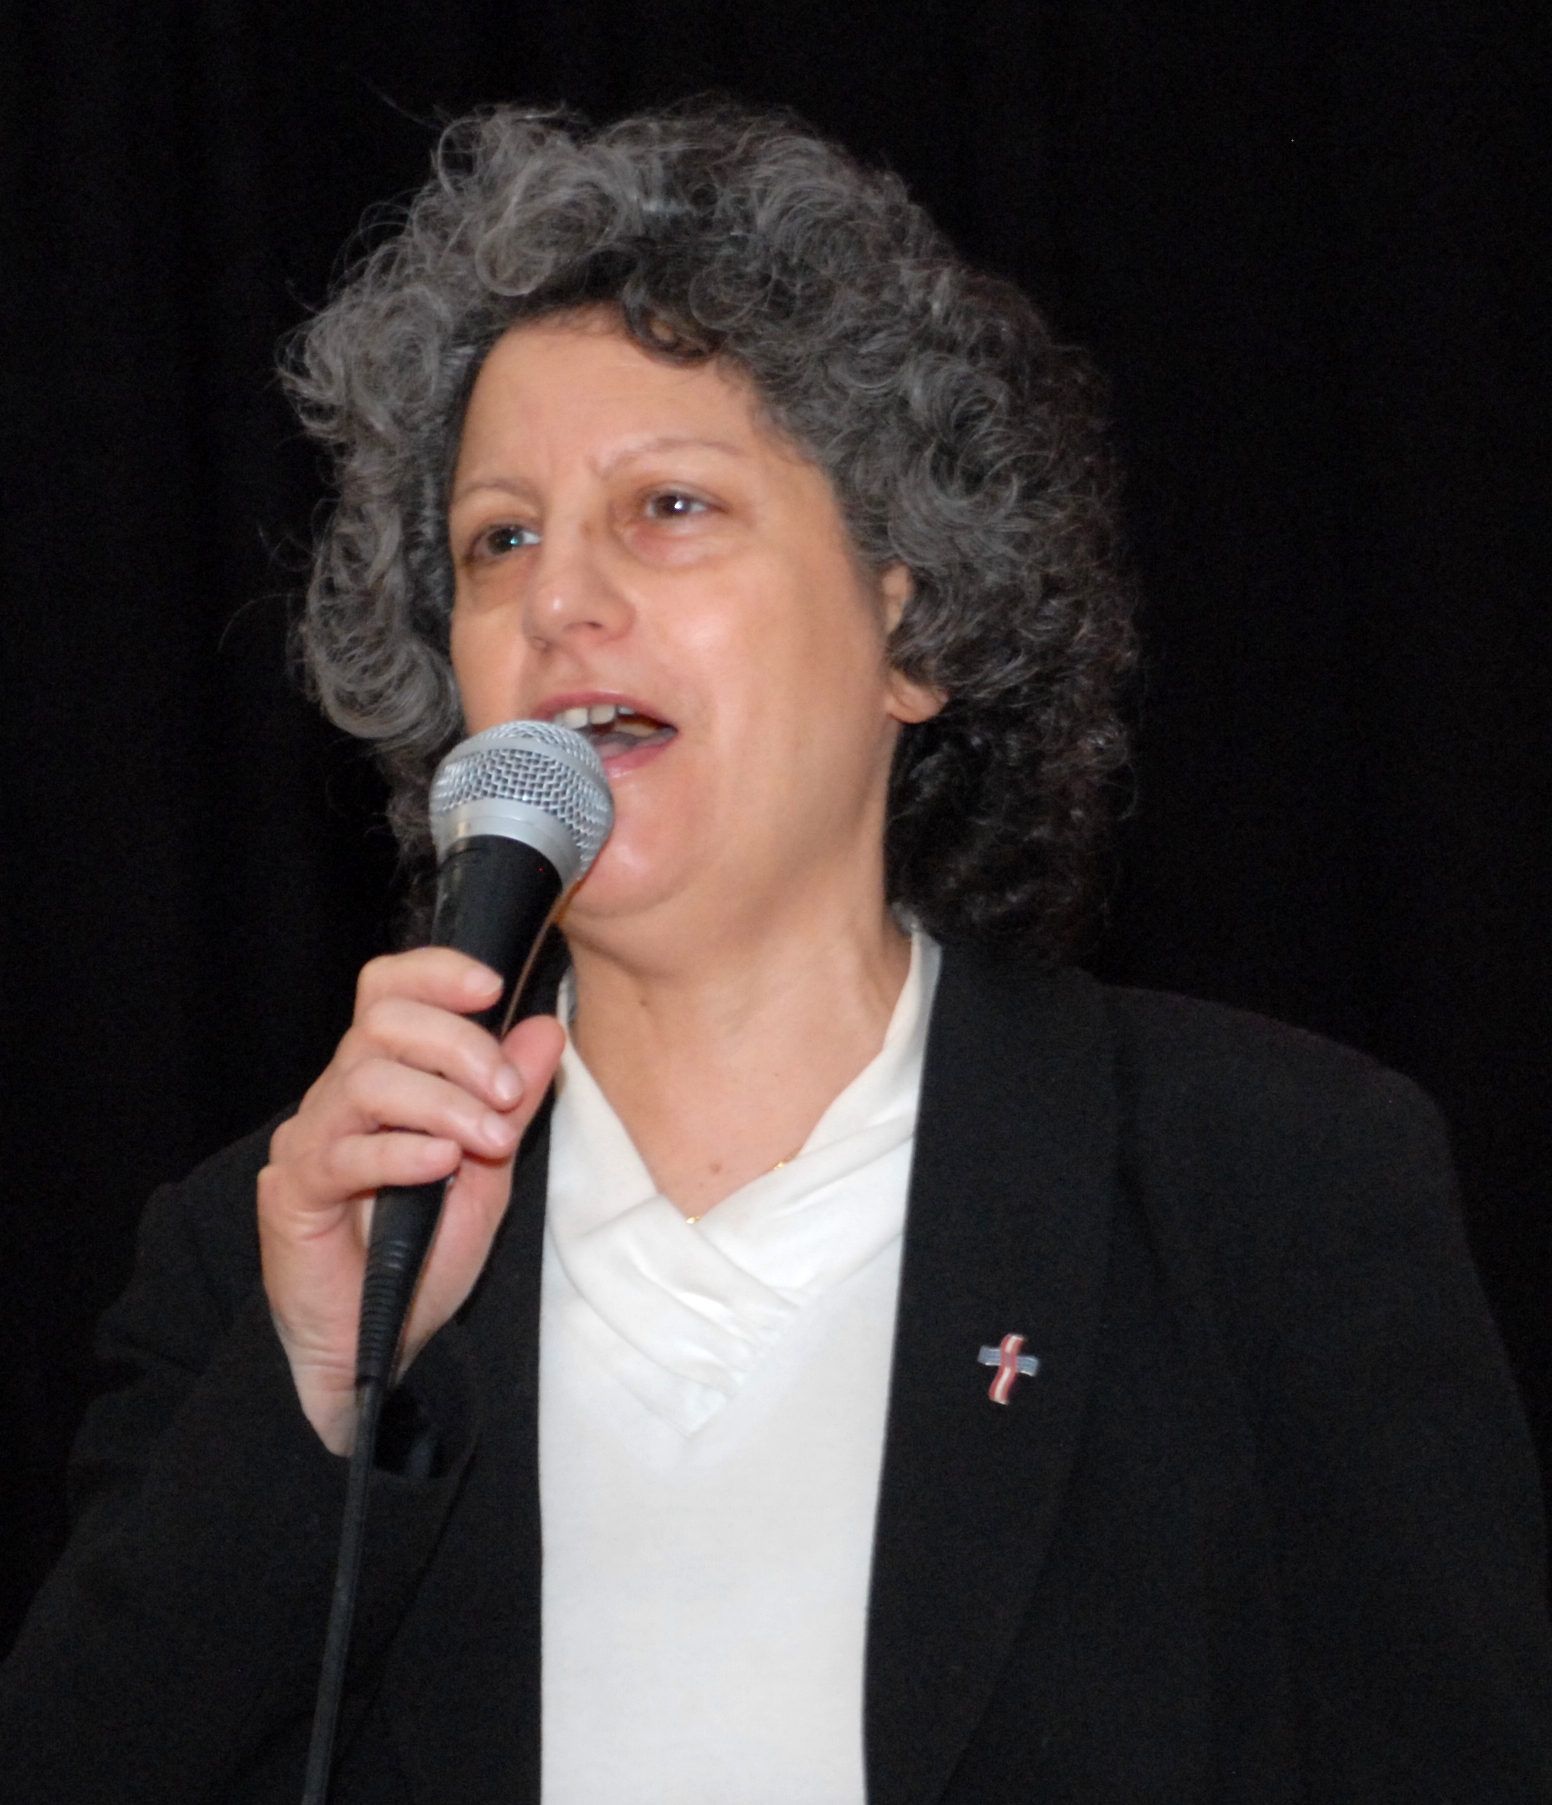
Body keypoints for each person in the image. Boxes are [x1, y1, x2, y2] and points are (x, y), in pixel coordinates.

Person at [2, 102, 1549, 1805]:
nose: (559, 601)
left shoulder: (1272, 1191)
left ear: (914, 629)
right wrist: (313, 1391)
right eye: (499, 539)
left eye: (667, 505)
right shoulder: (275, 1257)